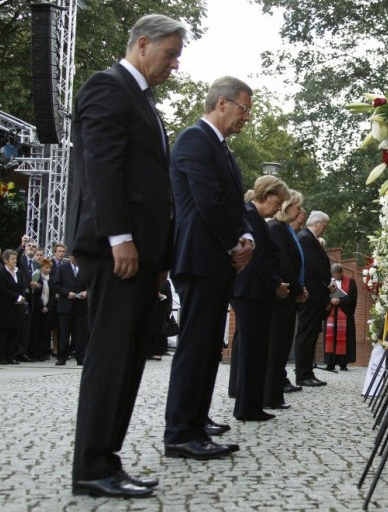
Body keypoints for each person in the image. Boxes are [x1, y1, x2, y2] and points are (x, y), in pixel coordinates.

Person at [67, 14, 186, 498]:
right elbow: (102, 167)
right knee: (111, 358)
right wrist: (119, 238)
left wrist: (158, 256)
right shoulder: (107, 87)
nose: (175, 65)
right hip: (116, 251)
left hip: (140, 255)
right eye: (170, 54)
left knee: (131, 358)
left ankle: (107, 461)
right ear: (142, 43)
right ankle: (91, 467)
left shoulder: (142, 100)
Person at [163, 76, 255, 460]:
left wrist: (248, 236)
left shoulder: (221, 148)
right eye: (243, 109)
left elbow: (235, 202)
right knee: (195, 346)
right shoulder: (193, 140)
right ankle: (181, 431)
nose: (246, 118)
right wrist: (234, 242)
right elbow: (208, 201)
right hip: (200, 258)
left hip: (217, 259)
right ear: (221, 102)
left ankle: (197, 420)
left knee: (208, 347)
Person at [229, 176, 290, 421]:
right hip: (250, 291)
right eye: (277, 201)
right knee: (252, 351)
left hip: (255, 292)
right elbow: (258, 257)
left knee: (256, 351)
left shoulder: (257, 218)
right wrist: (276, 285)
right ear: (264, 195)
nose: (279, 207)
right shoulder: (249, 215)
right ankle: (247, 408)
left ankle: (251, 405)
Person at [264, 190, 309, 408]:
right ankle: (271, 394)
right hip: (281, 295)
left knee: (281, 345)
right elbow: (284, 262)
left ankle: (273, 393)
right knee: (277, 345)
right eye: (298, 207)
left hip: (289, 294)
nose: (300, 212)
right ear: (287, 207)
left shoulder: (284, 229)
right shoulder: (277, 228)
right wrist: (298, 288)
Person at [293, 211, 334, 387]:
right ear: (317, 223)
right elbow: (313, 265)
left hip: (317, 294)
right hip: (312, 293)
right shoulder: (306, 238)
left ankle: (307, 371)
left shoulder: (309, 238)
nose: (324, 229)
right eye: (324, 225)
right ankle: (302, 373)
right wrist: (328, 282)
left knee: (311, 335)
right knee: (306, 333)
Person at [52, 255, 88, 366]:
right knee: (64, 333)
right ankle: (62, 356)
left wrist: (86, 292)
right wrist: (67, 293)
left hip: (81, 305)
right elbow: (56, 285)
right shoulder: (62, 268)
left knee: (80, 333)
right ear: (70, 256)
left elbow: (91, 284)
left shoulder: (85, 268)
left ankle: (80, 357)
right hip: (65, 305)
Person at [0, 250, 27, 365]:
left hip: (17, 307)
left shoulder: (19, 272)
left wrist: (22, 297)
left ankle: (10, 356)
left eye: (15, 258)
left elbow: (22, 286)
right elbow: (3, 289)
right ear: (6, 260)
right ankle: (1, 357)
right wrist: (17, 297)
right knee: (4, 333)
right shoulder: (1, 273)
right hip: (5, 307)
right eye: (12, 259)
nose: (15, 261)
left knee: (14, 332)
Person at [324, 263, 357, 371]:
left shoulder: (351, 282)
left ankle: (343, 364)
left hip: (344, 316)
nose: (336, 277)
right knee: (331, 338)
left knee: (344, 338)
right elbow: (322, 296)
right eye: (334, 274)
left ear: (341, 272)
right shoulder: (328, 282)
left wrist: (340, 300)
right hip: (331, 316)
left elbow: (352, 299)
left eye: (337, 274)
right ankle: (330, 364)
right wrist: (330, 300)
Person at [30, 258, 55, 361]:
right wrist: (41, 307)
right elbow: (35, 295)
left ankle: (42, 353)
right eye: (46, 267)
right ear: (41, 268)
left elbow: (53, 295)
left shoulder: (52, 280)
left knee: (45, 332)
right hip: (38, 308)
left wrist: (48, 307)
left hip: (48, 308)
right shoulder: (37, 278)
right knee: (36, 330)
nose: (48, 270)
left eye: (49, 268)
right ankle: (34, 353)